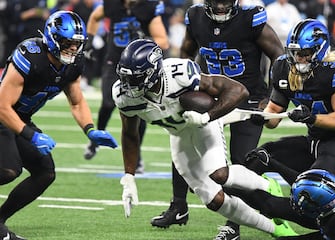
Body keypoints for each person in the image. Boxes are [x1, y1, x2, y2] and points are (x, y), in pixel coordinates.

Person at [113, 38, 298, 239]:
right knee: (213, 200)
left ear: (153, 73)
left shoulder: (180, 74)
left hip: (203, 122)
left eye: (134, 78)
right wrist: (129, 176)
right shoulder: (123, 96)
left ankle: (267, 185)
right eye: (125, 77)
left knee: (219, 174)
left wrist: (206, 116)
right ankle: (275, 230)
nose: (127, 84)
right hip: (178, 133)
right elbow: (130, 134)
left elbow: (238, 91)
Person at [151, 1, 286, 239]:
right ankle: (179, 206)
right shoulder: (195, 16)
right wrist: (184, 86)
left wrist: (273, 98)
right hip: (212, 96)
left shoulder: (249, 18)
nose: (222, 7)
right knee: (185, 141)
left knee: (240, 161)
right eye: (217, 1)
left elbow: (279, 57)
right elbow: (186, 52)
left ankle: (234, 223)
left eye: (226, 1)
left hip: (248, 97)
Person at [0, 10, 118, 239]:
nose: (73, 49)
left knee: (45, 172)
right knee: (8, 170)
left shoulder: (73, 64)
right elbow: (3, 106)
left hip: (19, 117)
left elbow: (76, 101)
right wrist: (31, 136)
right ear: (52, 38)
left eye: (76, 44)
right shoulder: (31, 55)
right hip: (2, 114)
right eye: (67, 43)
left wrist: (90, 130)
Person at [239, 18, 335, 238]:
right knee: (257, 159)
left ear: (319, 49)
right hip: (313, 141)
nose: (300, 58)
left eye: (305, 53)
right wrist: (262, 115)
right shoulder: (283, 67)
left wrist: (312, 118)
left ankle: (334, 226)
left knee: (312, 188)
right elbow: (274, 113)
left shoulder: (332, 71)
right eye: (296, 53)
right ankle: (235, 221)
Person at [83, 0, 169, 174]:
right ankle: (95, 138)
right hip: (114, 62)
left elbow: (163, 41)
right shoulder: (113, 5)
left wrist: (146, 40)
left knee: (140, 113)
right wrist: (90, 41)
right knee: (107, 103)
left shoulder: (148, 8)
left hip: (139, 70)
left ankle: (136, 156)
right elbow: (94, 17)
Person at [228, 169, 335, 240]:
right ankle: (224, 186)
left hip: (333, 230)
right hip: (327, 222)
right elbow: (304, 179)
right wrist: (273, 164)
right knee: (271, 205)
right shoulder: (332, 186)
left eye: (307, 202)